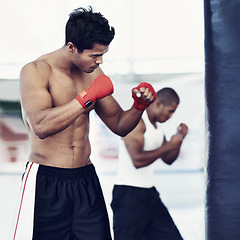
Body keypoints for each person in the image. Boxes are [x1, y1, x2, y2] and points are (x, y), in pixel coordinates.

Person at [12, 6, 156, 240]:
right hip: (46, 181)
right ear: (72, 47)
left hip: (85, 180)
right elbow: (41, 126)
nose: (99, 61)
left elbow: (119, 124)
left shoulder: (92, 74)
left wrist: (139, 107)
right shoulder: (36, 71)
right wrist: (87, 97)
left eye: (103, 55)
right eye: (94, 55)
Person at [111, 87, 188, 240]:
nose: (171, 116)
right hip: (129, 194)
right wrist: (170, 145)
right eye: (170, 111)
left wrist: (179, 139)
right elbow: (137, 160)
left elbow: (168, 159)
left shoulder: (157, 127)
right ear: (159, 104)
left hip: (149, 194)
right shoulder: (137, 122)